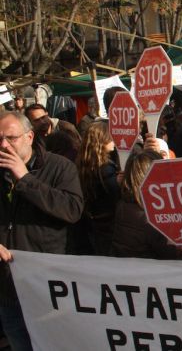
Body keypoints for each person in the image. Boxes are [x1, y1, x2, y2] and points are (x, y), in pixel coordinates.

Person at [0, 111, 84, 350]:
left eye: (11, 138)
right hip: (8, 290)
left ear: (29, 136)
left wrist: (25, 178)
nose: (4, 145)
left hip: (47, 287)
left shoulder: (59, 168)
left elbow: (72, 210)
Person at [110, 151, 182, 260]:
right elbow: (169, 255)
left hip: (125, 268)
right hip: (147, 272)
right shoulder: (151, 219)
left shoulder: (123, 204)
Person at [76, 121, 120, 255]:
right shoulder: (106, 169)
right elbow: (115, 195)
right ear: (103, 139)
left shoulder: (82, 164)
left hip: (91, 223)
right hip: (108, 225)